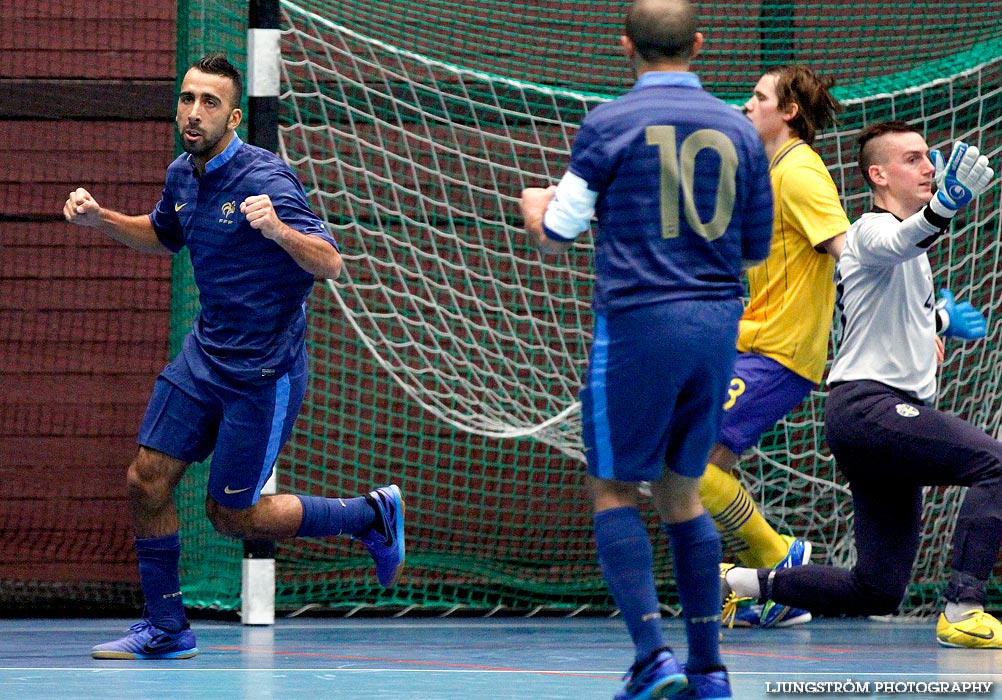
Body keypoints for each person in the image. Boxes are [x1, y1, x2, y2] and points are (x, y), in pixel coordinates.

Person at [63, 53, 405, 660]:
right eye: (189, 99)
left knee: (230, 516)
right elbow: (164, 234)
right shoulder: (183, 175)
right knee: (146, 481)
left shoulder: (266, 179)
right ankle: (167, 629)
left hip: (263, 374)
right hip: (204, 357)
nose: (195, 113)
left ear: (235, 116)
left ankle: (368, 516)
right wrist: (101, 220)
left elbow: (330, 262)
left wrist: (278, 231)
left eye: (210, 102)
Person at [521, 1, 773, 697]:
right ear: (698, 44)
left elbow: (559, 231)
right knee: (683, 492)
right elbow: (755, 247)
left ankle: (648, 657)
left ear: (624, 44)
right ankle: (709, 669)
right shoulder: (740, 130)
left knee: (612, 487)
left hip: (638, 324)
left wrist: (531, 206)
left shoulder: (609, 122)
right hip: (717, 328)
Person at [720, 121, 1002, 648]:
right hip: (871, 410)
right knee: (996, 463)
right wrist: (946, 205)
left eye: (928, 158)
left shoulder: (907, 249)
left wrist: (938, 323)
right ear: (878, 174)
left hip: (876, 425)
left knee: (876, 589)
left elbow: (891, 306)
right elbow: (900, 238)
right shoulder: (870, 230)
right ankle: (964, 606)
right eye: (913, 159)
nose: (928, 168)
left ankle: (736, 582)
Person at [698, 65, 849, 629]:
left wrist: (921, 313)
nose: (746, 105)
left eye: (757, 97)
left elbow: (849, 252)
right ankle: (780, 593)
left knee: (681, 459)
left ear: (788, 112)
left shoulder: (802, 172)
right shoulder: (769, 171)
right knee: (703, 467)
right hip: (751, 346)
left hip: (778, 354)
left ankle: (774, 558)